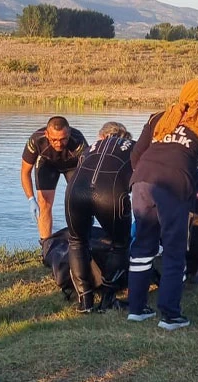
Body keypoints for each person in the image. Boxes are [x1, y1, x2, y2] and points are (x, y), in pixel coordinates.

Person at [128, 79, 198, 331]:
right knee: (174, 250)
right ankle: (170, 315)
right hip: (174, 185)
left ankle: (136, 309)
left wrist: (143, 179)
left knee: (142, 246)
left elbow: (136, 155)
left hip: (141, 180)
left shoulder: (159, 117)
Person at [64, 122, 134, 313]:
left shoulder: (90, 148)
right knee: (120, 244)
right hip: (110, 194)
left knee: (77, 241)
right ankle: (108, 300)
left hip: (75, 191)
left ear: (101, 136)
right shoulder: (133, 147)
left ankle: (84, 302)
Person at [20, 116, 88, 241]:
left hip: (72, 166)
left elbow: (89, 171)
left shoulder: (78, 140)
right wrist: (31, 198)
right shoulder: (36, 140)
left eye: (63, 139)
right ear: (46, 134)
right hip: (47, 164)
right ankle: (45, 244)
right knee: (44, 203)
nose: (58, 143)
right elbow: (25, 172)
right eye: (54, 139)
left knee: (78, 202)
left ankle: (79, 242)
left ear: (69, 134)